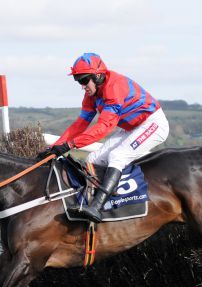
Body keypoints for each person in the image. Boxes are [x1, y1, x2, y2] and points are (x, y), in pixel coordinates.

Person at [38, 52, 170, 222]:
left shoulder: (114, 88)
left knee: (118, 156)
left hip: (153, 123)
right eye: (78, 81)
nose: (82, 86)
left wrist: (70, 145)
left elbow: (103, 128)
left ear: (98, 76)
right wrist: (55, 148)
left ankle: (96, 207)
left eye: (84, 80)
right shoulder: (91, 95)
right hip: (131, 128)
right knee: (93, 158)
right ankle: (89, 201)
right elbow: (80, 124)